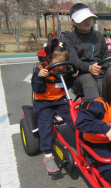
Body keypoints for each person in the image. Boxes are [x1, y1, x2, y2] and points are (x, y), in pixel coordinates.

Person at [32, 39, 78, 174]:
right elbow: (38, 89)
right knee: (45, 125)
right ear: (48, 58)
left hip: (59, 99)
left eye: (62, 63)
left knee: (75, 118)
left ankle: (86, 141)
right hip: (43, 101)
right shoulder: (40, 68)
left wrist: (72, 77)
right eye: (56, 63)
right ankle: (47, 155)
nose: (59, 67)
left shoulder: (66, 67)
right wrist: (39, 77)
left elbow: (67, 86)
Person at [61, 3, 109, 99]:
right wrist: (89, 68)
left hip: (100, 75)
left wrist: (104, 68)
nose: (88, 21)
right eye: (83, 19)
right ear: (73, 21)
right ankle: (94, 111)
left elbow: (106, 59)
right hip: (80, 77)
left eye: (89, 18)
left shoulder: (99, 36)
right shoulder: (68, 39)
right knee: (89, 78)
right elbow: (73, 60)